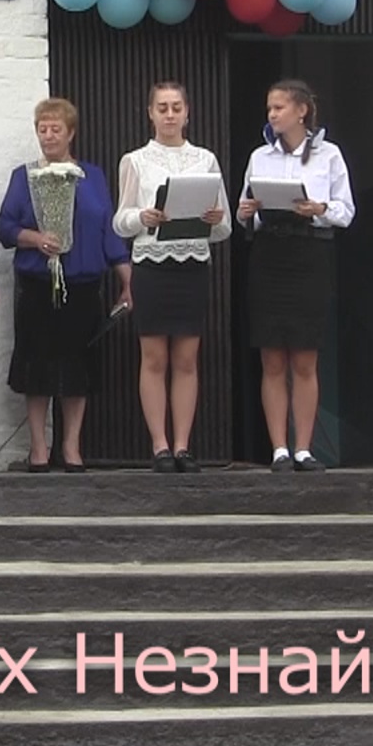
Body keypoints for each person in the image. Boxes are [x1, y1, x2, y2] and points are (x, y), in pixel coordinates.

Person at [0, 98, 133, 473]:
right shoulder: (24, 176)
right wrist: (34, 238)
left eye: (56, 129)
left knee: (78, 368)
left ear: (71, 133)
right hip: (38, 285)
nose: (49, 136)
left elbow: (107, 230)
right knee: (37, 367)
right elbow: (4, 227)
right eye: (42, 129)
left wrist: (126, 279)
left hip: (84, 285)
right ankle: (39, 448)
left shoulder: (93, 176)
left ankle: (71, 445)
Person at [113, 81, 230, 474]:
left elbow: (224, 228)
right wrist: (142, 216)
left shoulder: (205, 159)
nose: (169, 114)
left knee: (186, 358)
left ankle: (182, 445)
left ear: (187, 112)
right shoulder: (135, 160)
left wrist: (214, 219)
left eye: (176, 107)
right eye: (162, 107)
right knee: (154, 357)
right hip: (151, 263)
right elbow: (120, 221)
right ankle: (159, 445)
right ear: (150, 113)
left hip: (192, 264)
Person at [238, 79, 355, 473]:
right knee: (272, 356)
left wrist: (318, 208)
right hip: (269, 253)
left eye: (279, 107)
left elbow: (346, 211)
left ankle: (304, 448)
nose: (271, 115)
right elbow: (244, 211)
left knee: (305, 357)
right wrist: (247, 210)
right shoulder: (260, 156)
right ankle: (279, 450)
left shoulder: (329, 155)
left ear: (301, 110)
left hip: (310, 253)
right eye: (269, 108)